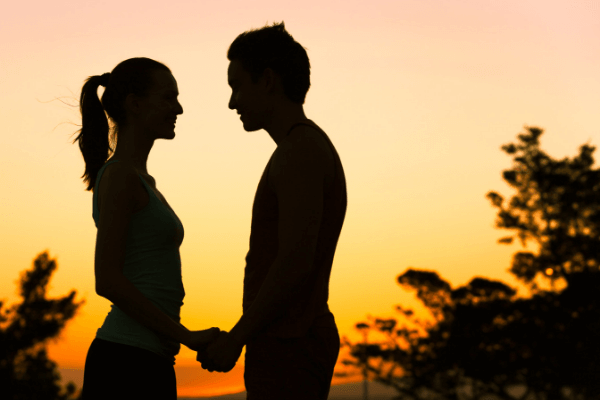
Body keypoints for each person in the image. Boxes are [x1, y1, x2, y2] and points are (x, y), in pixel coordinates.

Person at [197, 22, 347, 400]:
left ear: (267, 80)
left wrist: (236, 339)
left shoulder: (301, 151)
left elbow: (295, 261)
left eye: (237, 86)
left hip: (291, 344)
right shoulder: (300, 148)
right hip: (285, 342)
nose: (232, 102)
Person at [73, 57, 220, 399]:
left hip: (146, 360)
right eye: (168, 98)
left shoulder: (137, 179)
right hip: (126, 363)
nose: (178, 108)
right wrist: (186, 335)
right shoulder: (121, 176)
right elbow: (107, 280)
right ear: (135, 104)